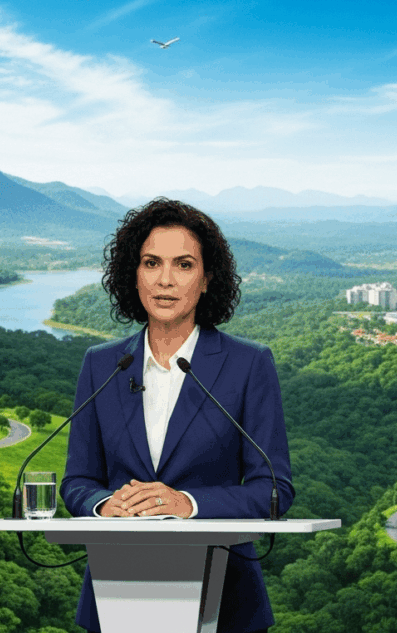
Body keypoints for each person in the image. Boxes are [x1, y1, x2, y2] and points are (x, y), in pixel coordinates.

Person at [60, 197, 294, 633]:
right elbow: (77, 482)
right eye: (151, 263)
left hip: (227, 604)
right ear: (133, 275)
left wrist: (188, 504)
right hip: (115, 600)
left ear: (206, 280)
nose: (165, 280)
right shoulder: (102, 364)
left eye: (183, 265)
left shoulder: (249, 364)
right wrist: (104, 504)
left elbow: (275, 489)